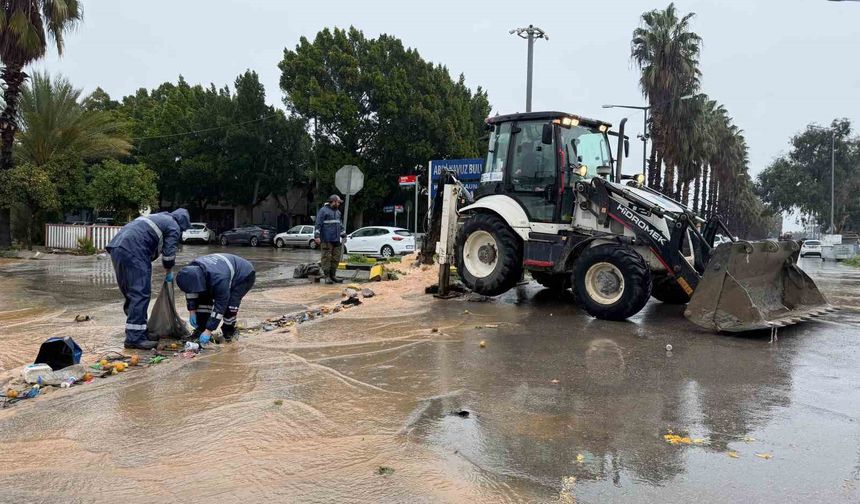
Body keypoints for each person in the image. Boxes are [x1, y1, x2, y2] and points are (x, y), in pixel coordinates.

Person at [106, 209, 191, 350]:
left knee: (131, 292)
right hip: (135, 250)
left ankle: (139, 331)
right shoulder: (174, 225)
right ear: (182, 224)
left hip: (117, 247)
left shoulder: (159, 217)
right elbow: (169, 255)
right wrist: (169, 271)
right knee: (140, 293)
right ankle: (134, 338)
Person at [176, 253, 256, 344]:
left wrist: (209, 330)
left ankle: (229, 331)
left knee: (230, 306)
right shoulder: (190, 272)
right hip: (218, 270)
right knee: (203, 299)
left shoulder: (219, 279)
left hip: (243, 275)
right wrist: (192, 311)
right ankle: (201, 329)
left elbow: (220, 305)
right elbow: (190, 290)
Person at [314, 194, 345, 284]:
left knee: (336, 258)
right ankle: (327, 277)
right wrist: (317, 236)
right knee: (326, 258)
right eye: (338, 202)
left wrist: (343, 234)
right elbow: (318, 224)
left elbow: (340, 224)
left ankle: (333, 275)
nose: (339, 204)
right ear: (333, 202)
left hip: (336, 239)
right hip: (326, 239)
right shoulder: (323, 211)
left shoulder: (338, 212)